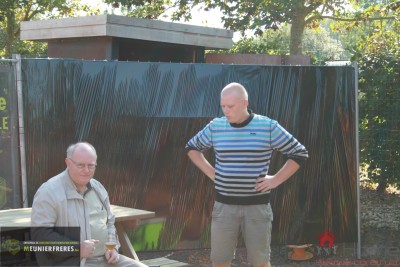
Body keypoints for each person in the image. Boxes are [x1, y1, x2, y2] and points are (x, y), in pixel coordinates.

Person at [185, 82, 308, 267]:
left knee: (260, 262)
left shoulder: (267, 126)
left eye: (231, 106)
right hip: (224, 207)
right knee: (219, 262)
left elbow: (299, 153)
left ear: (244, 103)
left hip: (257, 208)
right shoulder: (216, 127)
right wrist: (212, 173)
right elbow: (192, 148)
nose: (226, 111)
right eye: (223, 106)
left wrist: (275, 180)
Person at [31, 142, 148, 267]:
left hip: (106, 259)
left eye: (91, 165)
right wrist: (78, 249)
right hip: (72, 262)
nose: (86, 170)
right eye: (81, 165)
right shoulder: (49, 192)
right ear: (68, 163)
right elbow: (40, 236)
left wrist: (111, 247)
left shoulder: (98, 188)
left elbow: (109, 222)